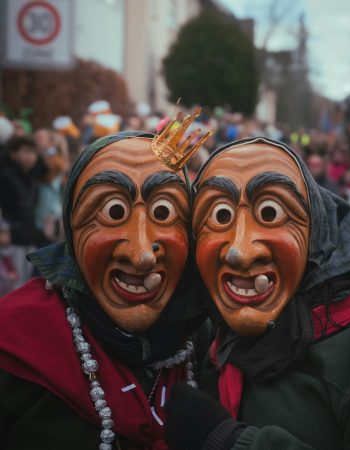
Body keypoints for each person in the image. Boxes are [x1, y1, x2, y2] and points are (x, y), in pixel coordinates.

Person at [164, 137, 350, 450]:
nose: (240, 252)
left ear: (316, 229)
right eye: (219, 216)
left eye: (270, 213)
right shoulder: (204, 328)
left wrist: (234, 443)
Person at [0, 121, 212, 449]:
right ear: (72, 229)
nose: (141, 255)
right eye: (113, 212)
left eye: (164, 212)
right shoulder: (14, 340)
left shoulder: (206, 339)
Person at [0, 136, 50, 285]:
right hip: (10, 238)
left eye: (33, 153)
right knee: (11, 283)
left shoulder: (30, 175)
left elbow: (45, 168)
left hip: (28, 234)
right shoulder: (6, 176)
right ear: (14, 153)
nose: (31, 156)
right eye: (26, 152)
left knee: (23, 282)